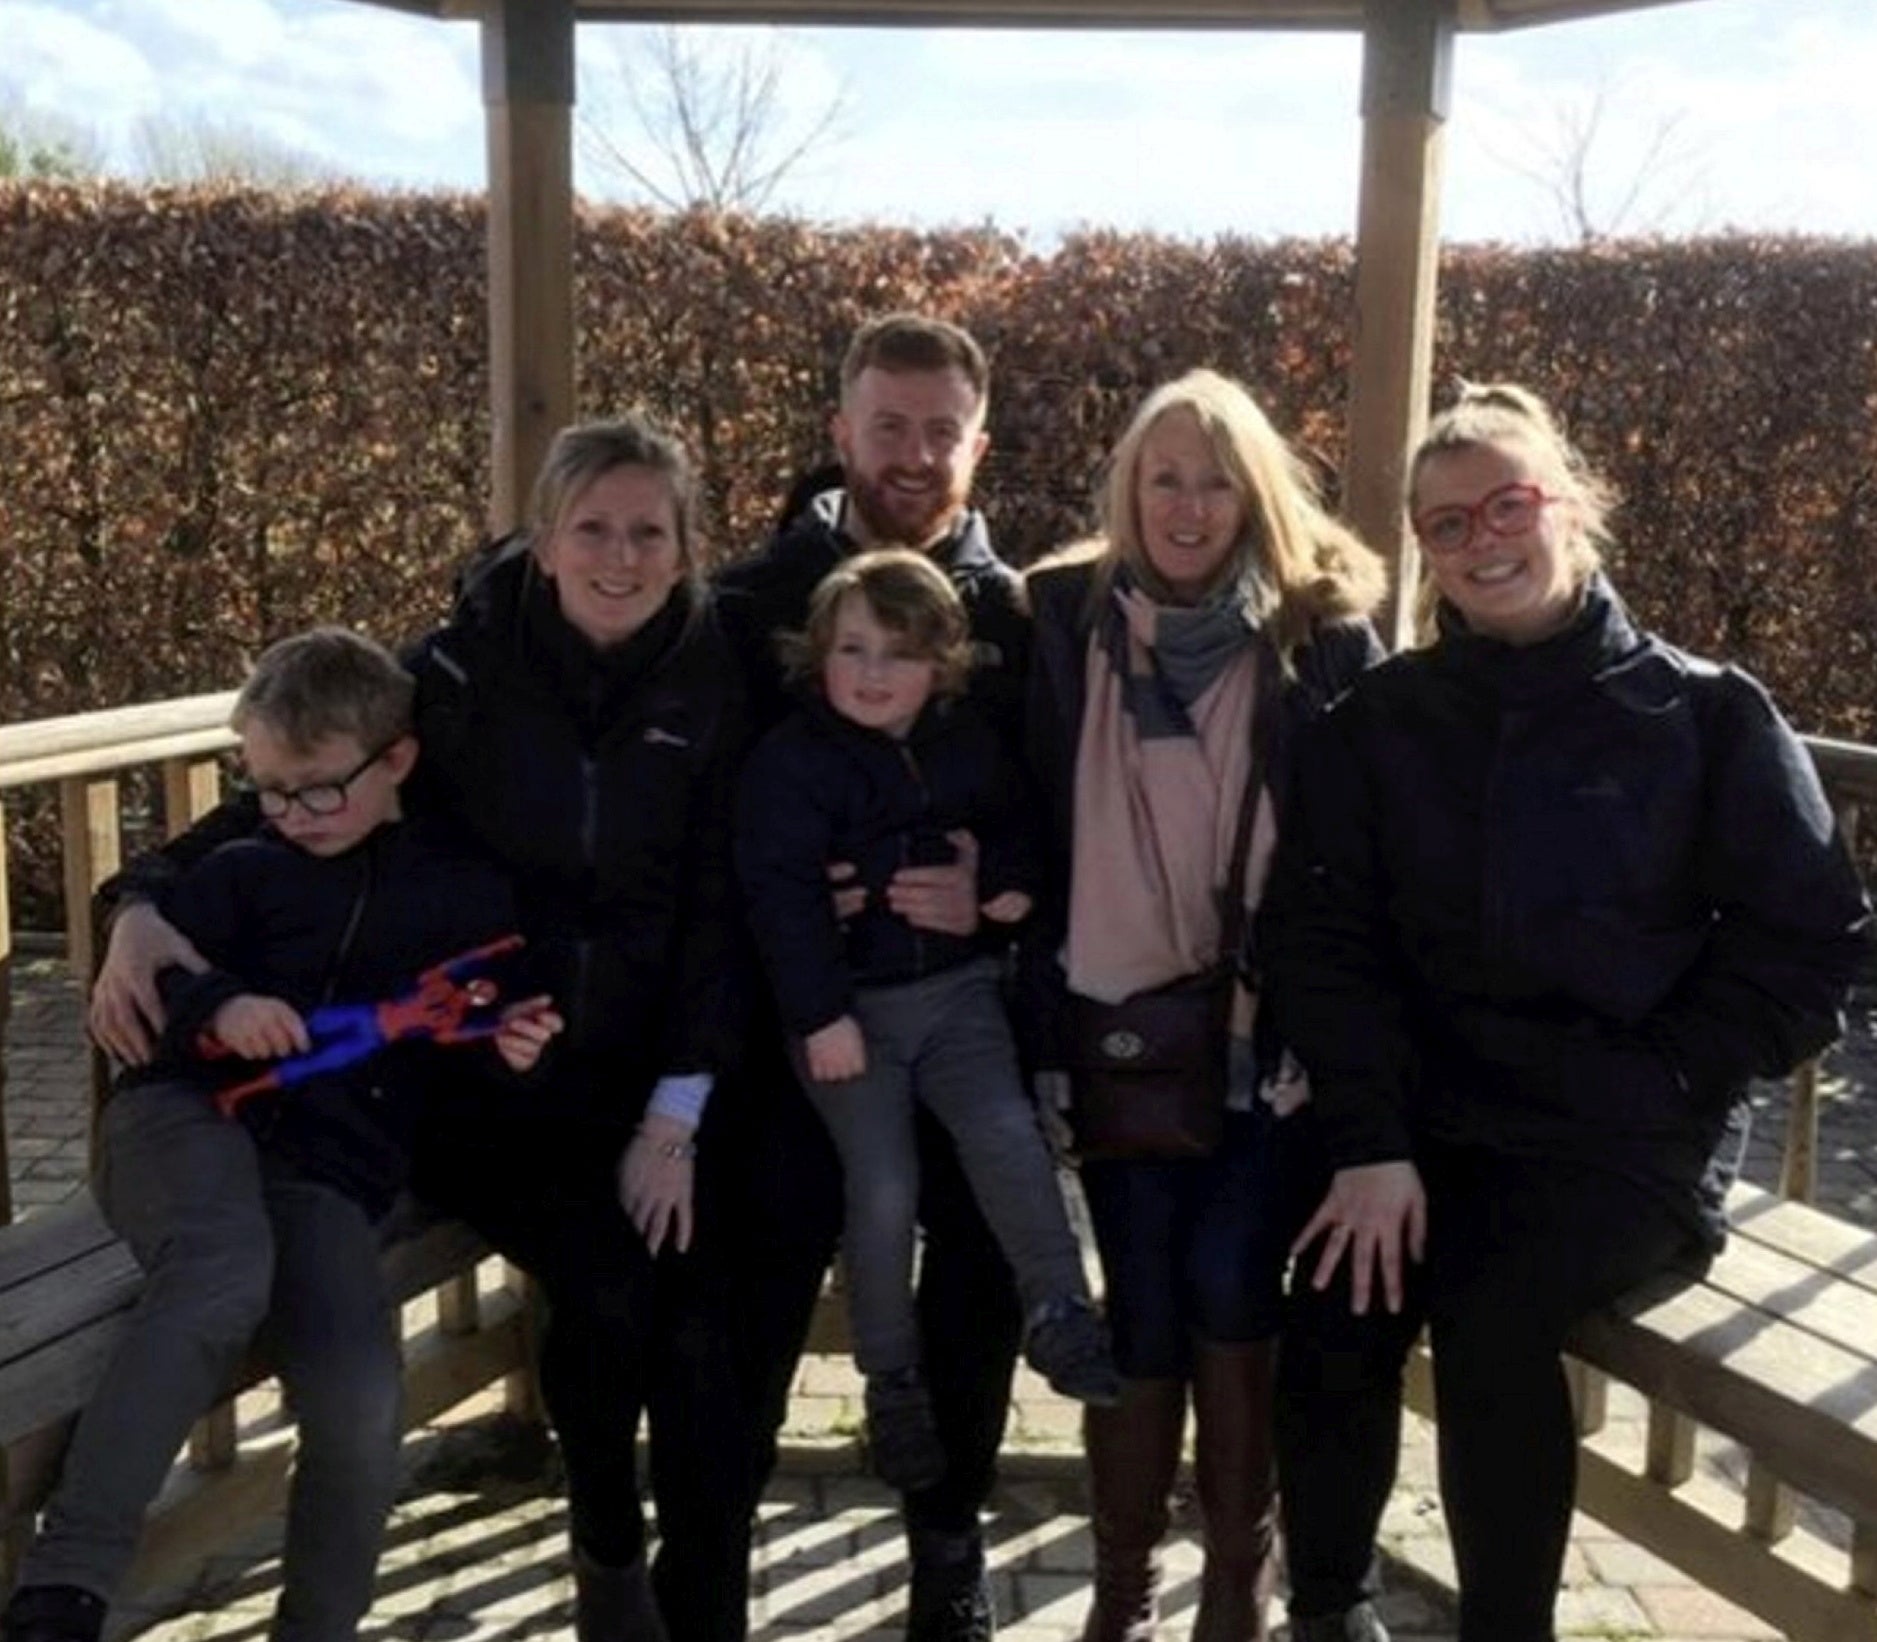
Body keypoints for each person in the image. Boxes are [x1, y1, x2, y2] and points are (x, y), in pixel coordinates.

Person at [82, 415, 751, 1642]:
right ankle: (610, 1567)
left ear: (684, 545)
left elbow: (719, 904)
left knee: (691, 1305)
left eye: (647, 530)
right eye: (591, 527)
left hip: (640, 1058)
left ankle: (668, 1581)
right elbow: (290, 790)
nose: (619, 554)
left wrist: (678, 1102)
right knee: (604, 1286)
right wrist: (135, 901)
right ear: (543, 540)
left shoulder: (719, 677)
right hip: (474, 1078)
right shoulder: (454, 673)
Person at [1260, 382, 1873, 1642]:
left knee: (1488, 1323)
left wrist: (1664, 1077)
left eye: (1507, 502)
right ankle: (1325, 1608)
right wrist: (1369, 1140)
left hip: (1616, 1142)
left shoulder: (1700, 713)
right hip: (1425, 1119)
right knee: (1331, 1301)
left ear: (1568, 507)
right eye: (1445, 521)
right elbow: (1323, 941)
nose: (1483, 537)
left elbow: (1810, 946)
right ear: (1420, 548)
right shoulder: (1379, 724)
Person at [0, 629, 555, 1642]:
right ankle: (66, 1583)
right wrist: (217, 1005)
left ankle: (319, 1625)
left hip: (327, 1171)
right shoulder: (242, 869)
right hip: (180, 1121)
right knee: (221, 1270)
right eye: (266, 790)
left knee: (358, 1392)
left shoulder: (459, 889)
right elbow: (153, 982)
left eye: (314, 790)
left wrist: (511, 1048)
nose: (290, 816)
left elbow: (475, 1019)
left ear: (395, 760)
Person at [1024, 368, 1386, 1642]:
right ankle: (1118, 1590)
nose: (1187, 503)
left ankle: (1235, 1578)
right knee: (1143, 1293)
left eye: (1215, 476)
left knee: (1234, 1275)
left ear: (1257, 490)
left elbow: (1364, 853)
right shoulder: (1057, 615)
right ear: (1126, 485)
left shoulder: (1322, 634)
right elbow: (1012, 805)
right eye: (1163, 475)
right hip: (1114, 1031)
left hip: (1263, 1037)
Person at [713, 312, 1030, 1640]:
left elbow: (1057, 815)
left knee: (979, 1264)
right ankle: (709, 1562)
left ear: (977, 442)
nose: (912, 453)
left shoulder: (1016, 617)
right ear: (839, 431)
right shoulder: (741, 608)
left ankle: (946, 1551)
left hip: (957, 1010)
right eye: (886, 425)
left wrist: (999, 897)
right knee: (757, 1273)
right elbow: (687, 822)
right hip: (794, 1025)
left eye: (938, 430)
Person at [736, 548, 1118, 1491]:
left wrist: (1006, 888)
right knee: (882, 1188)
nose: (872, 673)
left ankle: (1060, 1308)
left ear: (943, 664)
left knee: (1005, 1135)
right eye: (852, 648)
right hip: (847, 1016)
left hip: (955, 997)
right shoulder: (792, 762)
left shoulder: (968, 748)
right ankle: (889, 1374)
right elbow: (777, 895)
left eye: (899, 653)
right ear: (815, 655)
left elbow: (1019, 828)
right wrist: (819, 1014)